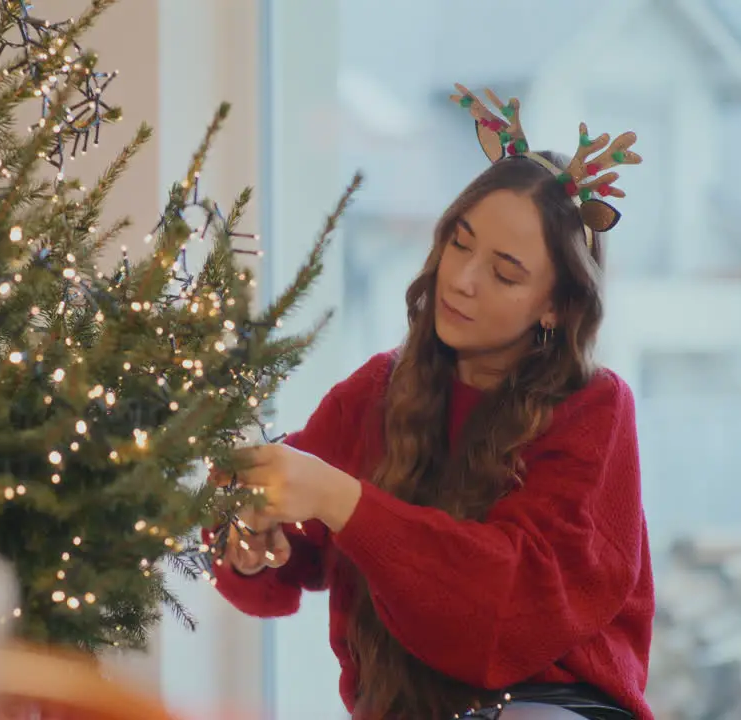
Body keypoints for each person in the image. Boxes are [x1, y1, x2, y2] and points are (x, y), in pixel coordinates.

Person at [205, 84, 655, 720]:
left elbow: (508, 620)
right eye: (459, 243)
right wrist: (249, 540)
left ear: (556, 305)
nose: (462, 279)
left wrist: (342, 500)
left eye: (504, 273)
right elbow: (272, 577)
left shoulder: (596, 411)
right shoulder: (376, 394)